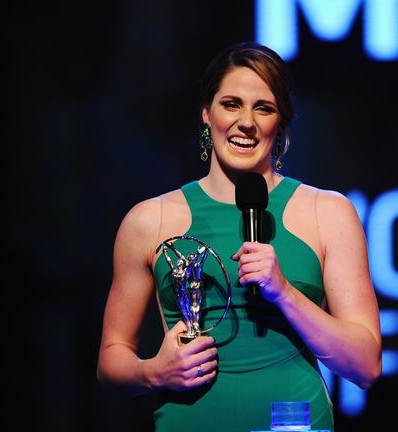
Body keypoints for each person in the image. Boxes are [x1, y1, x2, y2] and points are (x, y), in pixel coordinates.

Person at [97, 41, 382, 432]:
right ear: (206, 113)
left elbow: (365, 365)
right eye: (231, 104)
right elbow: (111, 359)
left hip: (291, 423)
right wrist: (154, 372)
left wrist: (284, 292)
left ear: (279, 124)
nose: (245, 122)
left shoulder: (327, 212)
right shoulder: (150, 220)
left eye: (263, 108)